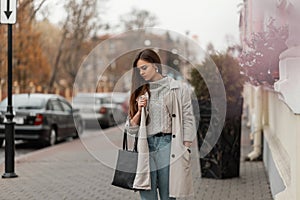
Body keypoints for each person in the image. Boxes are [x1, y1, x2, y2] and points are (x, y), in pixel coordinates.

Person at [125, 48, 196, 200]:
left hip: (168, 145)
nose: (142, 72)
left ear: (155, 65)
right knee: (147, 194)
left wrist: (186, 145)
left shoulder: (177, 88)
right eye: (139, 70)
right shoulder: (139, 92)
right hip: (145, 146)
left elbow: (188, 117)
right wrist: (139, 110)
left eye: (144, 68)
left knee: (168, 194)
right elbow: (130, 129)